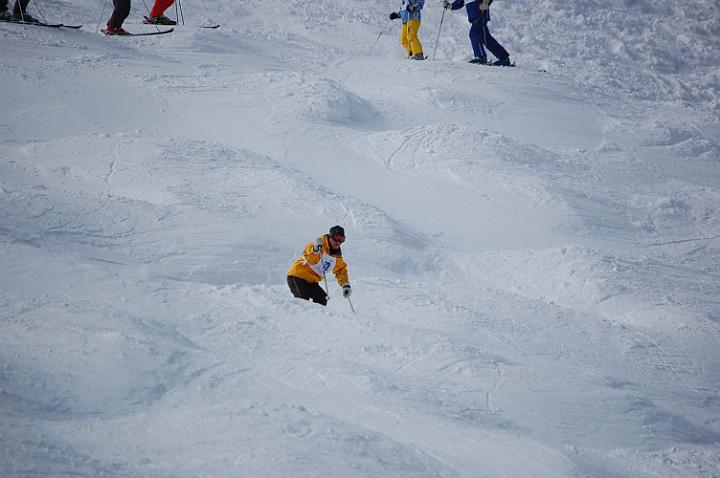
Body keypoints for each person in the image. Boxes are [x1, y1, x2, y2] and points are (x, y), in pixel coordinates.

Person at [287, 225, 352, 306]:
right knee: (303, 299)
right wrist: (315, 250)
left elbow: (340, 270)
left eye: (342, 239)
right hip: (297, 276)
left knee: (322, 298)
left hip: (312, 281)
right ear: (330, 236)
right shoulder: (319, 245)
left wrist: (345, 285)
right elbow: (309, 258)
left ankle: (317, 314)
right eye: (336, 238)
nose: (338, 242)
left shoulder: (336, 256)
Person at [443, 0, 512, 66]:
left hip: (480, 13)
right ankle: (503, 58)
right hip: (474, 15)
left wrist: (485, 3)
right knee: (485, 38)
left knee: (474, 33)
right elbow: (460, 2)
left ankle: (480, 57)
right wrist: (450, 6)